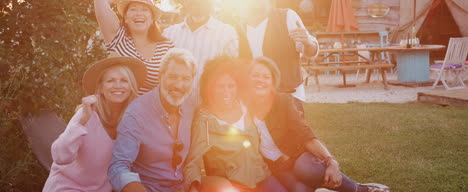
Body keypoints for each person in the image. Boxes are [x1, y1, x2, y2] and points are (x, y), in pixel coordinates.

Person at [247, 57, 390, 192]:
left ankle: (358, 189)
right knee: (300, 190)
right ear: (248, 78)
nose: (260, 80)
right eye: (256, 75)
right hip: (276, 167)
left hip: (295, 156)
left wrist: (330, 160)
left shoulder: (283, 101)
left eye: (266, 77)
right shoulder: (243, 105)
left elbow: (304, 132)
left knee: (307, 169)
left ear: (273, 81)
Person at [43, 56, 147, 192]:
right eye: (110, 81)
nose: (118, 85)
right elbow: (60, 156)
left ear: (131, 86)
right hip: (66, 187)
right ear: (101, 87)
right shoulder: (86, 113)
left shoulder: (134, 119)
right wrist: (81, 122)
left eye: (124, 80)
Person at [184, 57, 287, 192]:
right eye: (220, 86)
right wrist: (194, 187)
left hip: (262, 176)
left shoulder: (245, 106)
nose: (226, 91)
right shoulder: (204, 120)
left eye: (231, 86)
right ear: (209, 88)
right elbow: (193, 161)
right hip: (233, 185)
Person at [108, 48, 197, 192]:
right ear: (160, 77)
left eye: (186, 78)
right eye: (172, 77)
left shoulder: (191, 104)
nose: (179, 85)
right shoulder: (136, 113)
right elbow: (118, 167)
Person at [237, 0, 319, 116]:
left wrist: (307, 42)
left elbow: (311, 51)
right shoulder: (240, 27)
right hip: (253, 102)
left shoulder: (287, 17)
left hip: (288, 99)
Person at [95, 0, 174, 95]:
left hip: (151, 110)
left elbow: (172, 85)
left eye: (145, 10)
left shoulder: (166, 47)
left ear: (152, 19)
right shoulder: (118, 38)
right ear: (126, 18)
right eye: (133, 9)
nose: (139, 14)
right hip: (119, 109)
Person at [163, 0, 239, 86]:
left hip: (210, 101)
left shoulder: (226, 33)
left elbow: (234, 74)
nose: (198, 1)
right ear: (185, 0)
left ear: (211, 0)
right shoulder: (169, 34)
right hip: (175, 101)